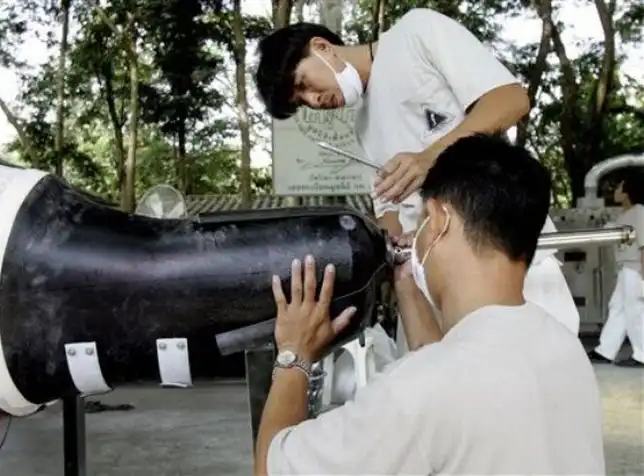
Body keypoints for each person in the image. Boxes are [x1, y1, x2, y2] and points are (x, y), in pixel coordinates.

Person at [254, 135, 605, 475]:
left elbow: (272, 467)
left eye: (422, 219)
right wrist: (406, 285)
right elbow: (451, 377)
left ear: (438, 221)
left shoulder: (415, 391)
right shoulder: (563, 347)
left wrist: (294, 354)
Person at [254, 7, 580, 339]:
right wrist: (391, 241)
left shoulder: (416, 33)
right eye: (302, 101)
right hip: (435, 287)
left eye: (304, 83)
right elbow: (389, 210)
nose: (314, 99)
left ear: (321, 47)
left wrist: (430, 158)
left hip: (504, 255)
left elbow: (510, 99)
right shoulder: (362, 127)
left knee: (537, 362)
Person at [588, 172, 644, 368]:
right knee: (618, 307)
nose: (616, 190)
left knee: (634, 310)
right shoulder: (627, 214)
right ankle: (605, 350)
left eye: (620, 187)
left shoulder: (639, 212)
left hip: (636, 268)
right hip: (626, 268)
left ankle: (642, 354)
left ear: (628, 192)